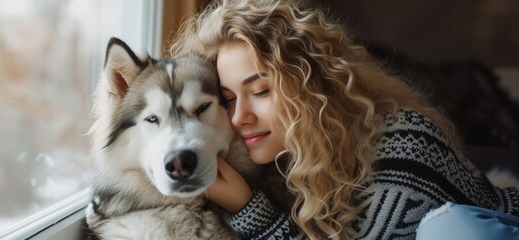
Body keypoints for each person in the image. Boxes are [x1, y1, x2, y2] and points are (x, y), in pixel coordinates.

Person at [170, 0, 519, 239]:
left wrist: (248, 209)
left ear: (312, 87)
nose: (240, 116)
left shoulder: (398, 146)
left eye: (261, 91)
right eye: (228, 100)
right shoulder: (274, 162)